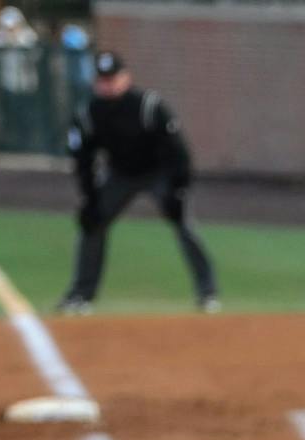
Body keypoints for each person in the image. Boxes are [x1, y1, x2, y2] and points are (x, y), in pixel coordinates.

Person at [57, 51, 217, 316]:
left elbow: (178, 152)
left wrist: (177, 191)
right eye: (103, 79)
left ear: (126, 78)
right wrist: (90, 197)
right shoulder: (89, 113)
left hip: (158, 173)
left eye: (113, 78)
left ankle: (207, 291)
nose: (108, 84)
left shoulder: (148, 106)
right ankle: (81, 295)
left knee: (184, 224)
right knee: (92, 223)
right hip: (119, 175)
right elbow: (83, 157)